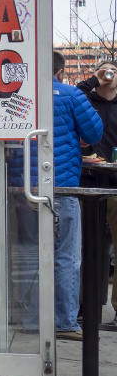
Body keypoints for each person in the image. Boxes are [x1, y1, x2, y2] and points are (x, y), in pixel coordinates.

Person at [53, 51, 103, 339]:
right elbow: (95, 132)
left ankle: (31, 318)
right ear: (60, 71)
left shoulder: (18, 93)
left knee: (28, 254)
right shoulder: (71, 95)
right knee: (66, 257)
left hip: (22, 187)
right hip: (61, 185)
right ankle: (64, 322)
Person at [77, 60, 117, 323]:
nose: (109, 74)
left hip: (115, 181)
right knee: (83, 246)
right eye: (105, 69)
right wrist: (95, 79)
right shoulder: (84, 100)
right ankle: (82, 307)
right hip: (87, 178)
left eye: (113, 70)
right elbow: (71, 93)